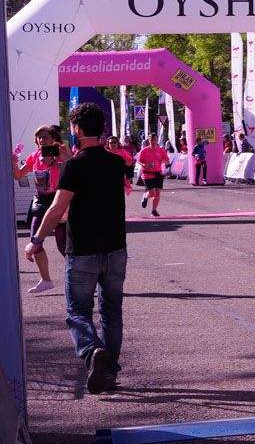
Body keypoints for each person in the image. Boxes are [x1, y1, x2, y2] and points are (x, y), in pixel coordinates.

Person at [26, 103, 129, 395]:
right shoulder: (115, 162)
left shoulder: (74, 165)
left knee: (77, 311)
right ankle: (109, 372)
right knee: (112, 311)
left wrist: (37, 240)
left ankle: (91, 350)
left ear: (77, 130)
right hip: (115, 247)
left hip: (83, 249)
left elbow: (58, 207)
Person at [12, 125, 68, 293]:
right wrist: (13, 162)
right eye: (39, 137)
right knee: (35, 241)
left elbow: (72, 171)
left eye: (46, 137)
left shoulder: (60, 155)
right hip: (40, 202)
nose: (42, 140)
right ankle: (45, 280)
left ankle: (81, 276)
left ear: (53, 139)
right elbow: (19, 175)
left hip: (57, 201)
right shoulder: (34, 156)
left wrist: (57, 162)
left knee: (63, 243)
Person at [136, 136, 170, 217]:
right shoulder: (144, 150)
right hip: (147, 174)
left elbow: (167, 160)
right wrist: (144, 164)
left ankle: (154, 210)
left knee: (158, 193)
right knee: (152, 193)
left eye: (155, 139)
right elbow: (138, 161)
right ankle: (145, 197)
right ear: (149, 140)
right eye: (152, 140)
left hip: (158, 173)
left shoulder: (161, 150)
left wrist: (166, 163)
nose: (154, 141)